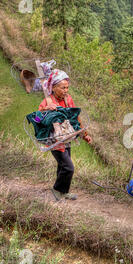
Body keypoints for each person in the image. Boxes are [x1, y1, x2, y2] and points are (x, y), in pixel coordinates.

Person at [38, 69, 92, 201]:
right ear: (54, 87)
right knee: (69, 167)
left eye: (67, 87)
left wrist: (84, 134)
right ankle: (57, 189)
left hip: (66, 136)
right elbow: (37, 119)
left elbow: (75, 117)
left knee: (62, 166)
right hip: (54, 139)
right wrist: (46, 109)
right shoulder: (48, 101)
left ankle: (64, 192)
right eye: (63, 88)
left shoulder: (68, 100)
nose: (66, 90)